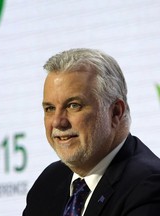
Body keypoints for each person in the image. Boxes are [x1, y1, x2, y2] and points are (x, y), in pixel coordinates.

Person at [22, 48, 160, 216]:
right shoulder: (50, 181)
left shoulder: (149, 186)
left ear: (115, 112)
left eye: (73, 105)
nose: (58, 121)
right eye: (50, 108)